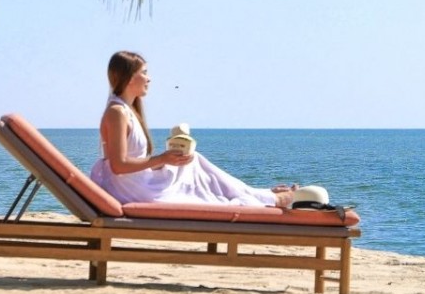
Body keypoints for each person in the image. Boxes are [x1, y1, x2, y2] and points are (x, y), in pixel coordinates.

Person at [89, 51, 296, 208]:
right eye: (144, 73)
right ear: (129, 78)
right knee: (194, 170)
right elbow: (118, 165)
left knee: (190, 160)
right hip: (131, 189)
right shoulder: (117, 112)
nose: (149, 78)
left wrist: (166, 161)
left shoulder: (126, 110)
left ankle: (256, 194)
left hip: (136, 183)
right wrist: (162, 159)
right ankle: (265, 197)